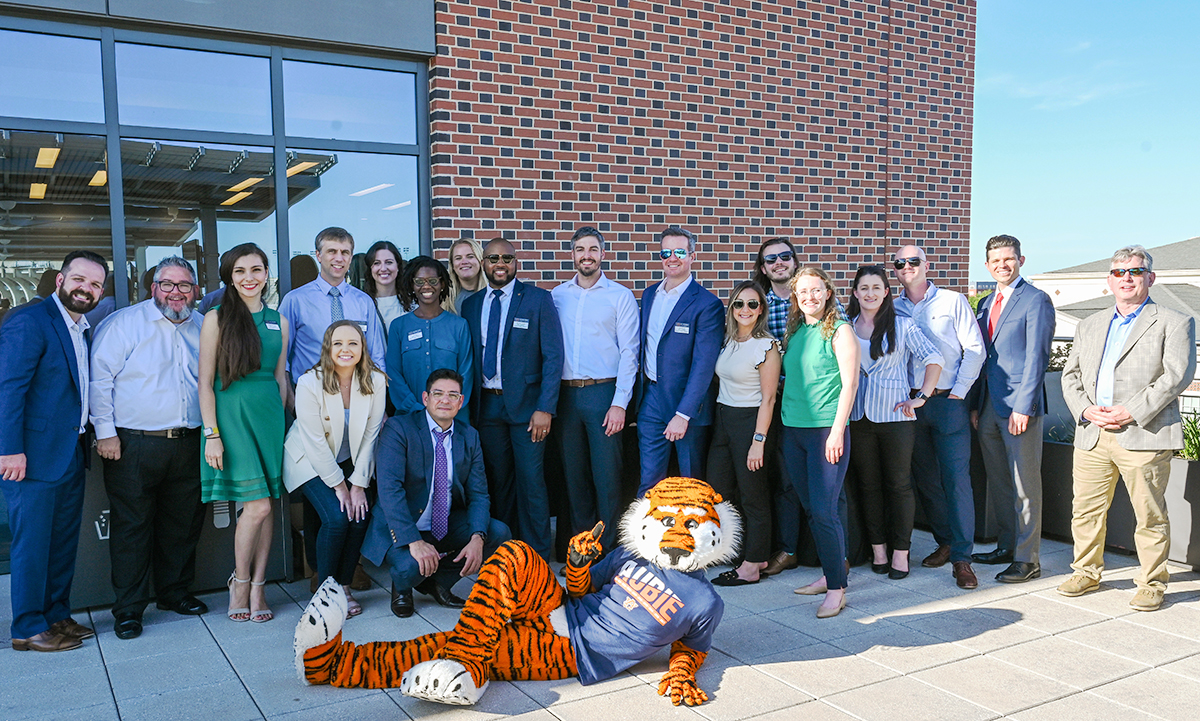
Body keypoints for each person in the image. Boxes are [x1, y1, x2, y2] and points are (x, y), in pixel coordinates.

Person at [1058, 245, 1196, 612]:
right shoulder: (1090, 324)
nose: (1127, 278)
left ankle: (1152, 581)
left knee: (1149, 514)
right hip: (1093, 432)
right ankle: (1085, 571)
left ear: (1150, 277)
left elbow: (1176, 377)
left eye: (1135, 271)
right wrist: (1086, 409)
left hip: (1144, 433)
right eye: (1119, 272)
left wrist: (1129, 411)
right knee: (1085, 510)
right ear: (1109, 280)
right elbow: (1070, 375)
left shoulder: (1174, 321)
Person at [89, 256, 209, 641]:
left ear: (194, 290)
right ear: (153, 287)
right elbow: (99, 379)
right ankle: (128, 610)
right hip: (133, 445)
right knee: (131, 530)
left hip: (189, 442)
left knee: (182, 524)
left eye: (184, 285)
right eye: (168, 284)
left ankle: (174, 593)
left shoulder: (203, 325)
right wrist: (105, 432)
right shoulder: (124, 324)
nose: (176, 293)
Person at [0, 250, 107, 652]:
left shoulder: (83, 327)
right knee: (32, 543)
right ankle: (27, 627)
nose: (86, 289)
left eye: (95, 284)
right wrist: (9, 450)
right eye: (79, 280)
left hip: (69, 452)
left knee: (62, 541)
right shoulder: (30, 321)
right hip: (30, 456)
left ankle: (56, 615)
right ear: (60, 280)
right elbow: (8, 389)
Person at [361, 369, 511, 618]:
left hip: (443, 523)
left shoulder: (469, 436)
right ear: (425, 398)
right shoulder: (400, 428)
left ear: (461, 402)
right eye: (438, 393)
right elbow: (390, 491)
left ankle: (439, 582)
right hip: (403, 525)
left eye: (453, 395)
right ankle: (403, 585)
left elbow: (479, 494)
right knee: (409, 568)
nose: (445, 400)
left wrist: (477, 537)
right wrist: (414, 541)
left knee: (497, 533)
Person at [199, 243, 289, 623]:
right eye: (240, 271)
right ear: (229, 278)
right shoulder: (216, 318)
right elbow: (204, 383)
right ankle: (239, 581)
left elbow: (280, 376)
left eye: (256, 269)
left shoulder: (279, 320)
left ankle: (259, 587)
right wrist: (211, 434)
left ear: (267, 273)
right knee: (258, 506)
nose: (249, 278)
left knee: (268, 503)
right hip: (231, 418)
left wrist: (286, 427)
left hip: (269, 419)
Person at [462, 238, 563, 560]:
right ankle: (505, 554)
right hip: (487, 406)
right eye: (493, 258)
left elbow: (553, 357)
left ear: (516, 262)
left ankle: (538, 555)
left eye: (507, 258)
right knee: (498, 481)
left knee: (532, 481)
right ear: (484, 263)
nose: (500, 264)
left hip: (529, 408)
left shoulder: (537, 300)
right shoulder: (472, 305)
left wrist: (545, 408)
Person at [893, 245, 985, 589]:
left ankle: (963, 558)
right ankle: (945, 541)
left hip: (948, 401)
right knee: (925, 478)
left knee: (956, 480)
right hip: (909, 404)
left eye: (913, 261)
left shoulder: (952, 301)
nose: (907, 267)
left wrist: (960, 391)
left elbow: (974, 349)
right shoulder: (893, 306)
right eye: (900, 263)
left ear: (926, 265)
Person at [846, 265, 943, 581]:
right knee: (869, 487)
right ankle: (879, 551)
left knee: (899, 486)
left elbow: (934, 358)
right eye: (864, 288)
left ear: (886, 292)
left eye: (876, 287)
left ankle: (901, 552)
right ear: (856, 292)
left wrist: (923, 396)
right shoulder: (845, 327)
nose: (870, 293)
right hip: (858, 417)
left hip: (896, 418)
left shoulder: (902, 326)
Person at [283, 321, 387, 617]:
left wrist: (358, 485)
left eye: (353, 343)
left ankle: (343, 585)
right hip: (307, 460)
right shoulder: (309, 382)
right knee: (337, 518)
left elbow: (371, 434)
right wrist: (340, 486)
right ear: (327, 346)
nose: (345, 349)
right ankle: (324, 593)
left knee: (359, 514)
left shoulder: (376, 381)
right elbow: (314, 441)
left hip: (349, 460)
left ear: (362, 348)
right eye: (338, 343)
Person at [968, 235, 1056, 583]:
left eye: (1009, 259)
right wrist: (976, 406)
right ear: (987, 265)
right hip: (988, 405)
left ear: (1021, 260)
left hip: (1020, 407)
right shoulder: (986, 303)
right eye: (995, 261)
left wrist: (1025, 406)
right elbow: (981, 357)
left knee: (1024, 485)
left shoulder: (1036, 300)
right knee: (1001, 482)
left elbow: (1037, 357)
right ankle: (1006, 546)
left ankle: (1027, 559)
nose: (1003, 265)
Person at [551, 226, 640, 552]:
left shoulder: (620, 296)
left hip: (604, 394)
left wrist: (620, 404)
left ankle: (611, 549)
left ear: (603, 254)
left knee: (607, 477)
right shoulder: (558, 296)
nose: (586, 256)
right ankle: (580, 547)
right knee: (575, 477)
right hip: (566, 396)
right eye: (580, 250)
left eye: (592, 250)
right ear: (572, 255)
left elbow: (631, 353)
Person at [781, 268, 859, 618]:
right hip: (793, 429)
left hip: (825, 431)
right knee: (813, 508)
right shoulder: (797, 330)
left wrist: (837, 431)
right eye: (802, 292)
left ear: (828, 292)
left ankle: (837, 589)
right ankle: (832, 572)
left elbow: (850, 385)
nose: (809, 297)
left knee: (825, 512)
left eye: (815, 290)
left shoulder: (840, 330)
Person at [637, 226, 723, 493]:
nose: (671, 258)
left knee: (691, 483)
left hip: (688, 405)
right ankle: (645, 535)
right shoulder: (650, 295)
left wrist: (683, 414)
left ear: (692, 256)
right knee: (649, 481)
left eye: (679, 252)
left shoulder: (707, 304)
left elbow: (703, 365)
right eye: (665, 252)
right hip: (650, 399)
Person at [707, 281, 781, 586]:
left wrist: (758, 441)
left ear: (761, 309)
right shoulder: (727, 340)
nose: (745, 310)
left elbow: (769, 398)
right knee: (721, 488)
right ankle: (744, 551)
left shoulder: (767, 345)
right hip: (723, 419)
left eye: (752, 304)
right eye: (739, 304)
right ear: (731, 308)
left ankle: (752, 565)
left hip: (751, 421)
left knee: (753, 496)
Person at [753, 237, 804, 577]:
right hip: (771, 402)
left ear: (794, 261)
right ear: (763, 268)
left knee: (809, 479)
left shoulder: (813, 297)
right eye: (771, 260)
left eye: (785, 256)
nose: (778, 263)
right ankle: (784, 546)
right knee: (778, 476)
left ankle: (811, 550)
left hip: (813, 404)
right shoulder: (759, 304)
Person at [279, 227, 386, 388]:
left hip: (357, 394)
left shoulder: (364, 302)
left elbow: (376, 355)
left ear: (350, 258)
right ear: (318, 256)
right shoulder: (295, 300)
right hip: (311, 394)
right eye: (332, 251)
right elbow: (281, 358)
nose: (339, 258)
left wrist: (378, 399)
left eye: (345, 252)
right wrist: (291, 401)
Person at [386, 255, 473, 422]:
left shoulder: (459, 325)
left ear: (442, 285)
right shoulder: (398, 326)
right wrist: (416, 408)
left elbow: (466, 374)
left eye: (433, 281)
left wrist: (447, 407)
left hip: (453, 418)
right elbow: (393, 374)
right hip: (410, 418)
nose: (426, 286)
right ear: (412, 285)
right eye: (419, 281)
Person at [364, 240, 407, 333]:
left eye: (389, 262)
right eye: (376, 263)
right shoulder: (362, 304)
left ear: (398, 266)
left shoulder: (413, 305)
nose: (383, 268)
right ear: (370, 268)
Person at [448, 237, 486, 315]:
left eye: (470, 256)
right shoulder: (445, 299)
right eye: (458, 258)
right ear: (452, 265)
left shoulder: (494, 295)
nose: (464, 262)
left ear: (480, 261)